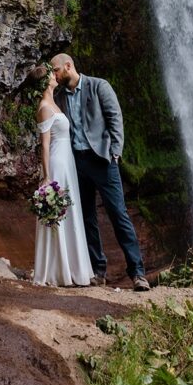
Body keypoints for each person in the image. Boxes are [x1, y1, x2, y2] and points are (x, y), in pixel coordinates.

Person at [51, 53, 150, 292]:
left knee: (118, 214)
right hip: (77, 163)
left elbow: (115, 119)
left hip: (103, 160)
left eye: (56, 70)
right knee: (86, 218)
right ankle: (98, 271)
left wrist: (115, 152)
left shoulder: (98, 86)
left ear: (68, 66)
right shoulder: (59, 96)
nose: (54, 75)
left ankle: (137, 273)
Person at [30, 64, 95, 287]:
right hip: (57, 163)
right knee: (58, 217)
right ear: (45, 81)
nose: (55, 75)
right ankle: (57, 271)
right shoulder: (45, 107)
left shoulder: (54, 104)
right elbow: (45, 146)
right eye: (51, 73)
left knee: (70, 213)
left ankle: (73, 269)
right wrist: (47, 177)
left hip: (67, 162)